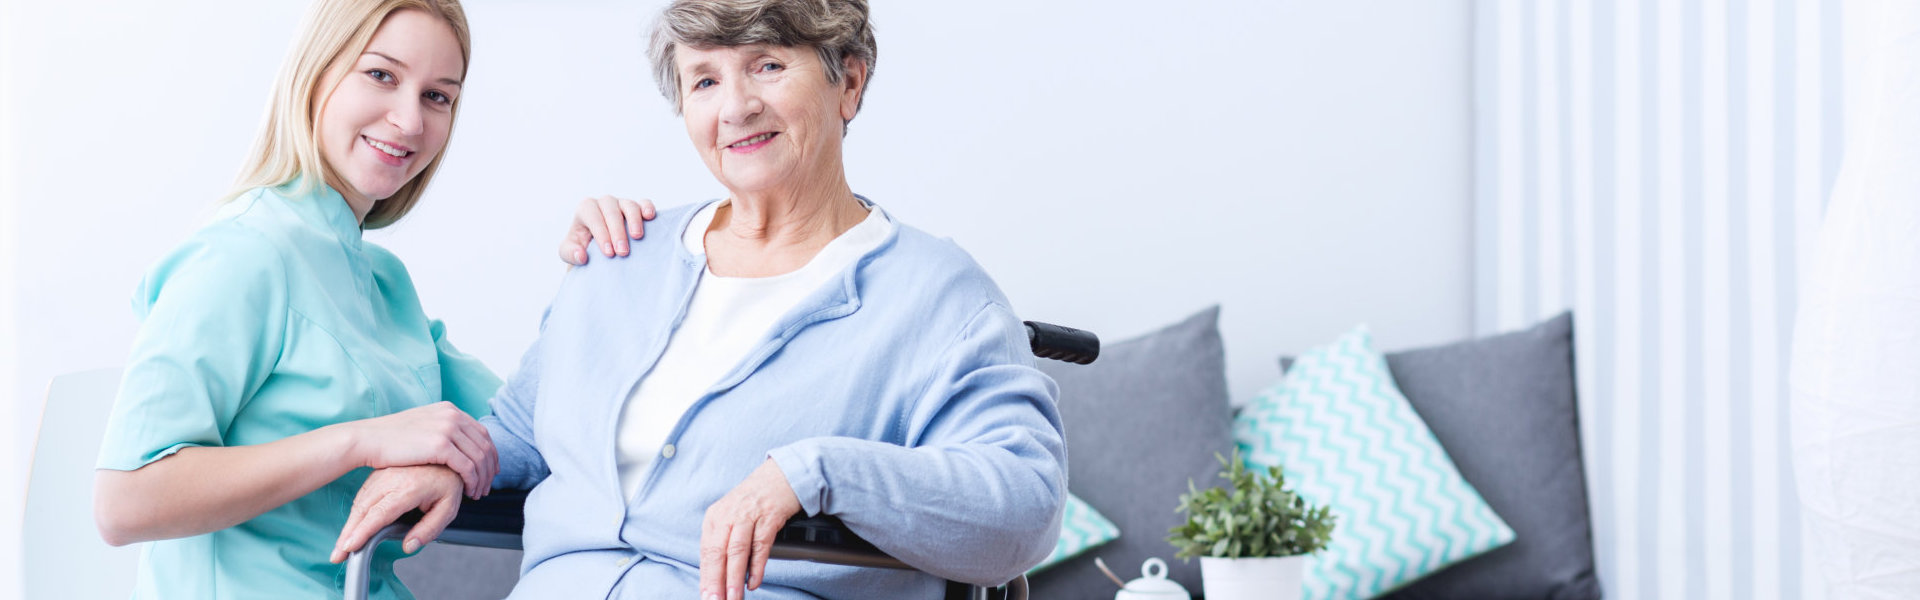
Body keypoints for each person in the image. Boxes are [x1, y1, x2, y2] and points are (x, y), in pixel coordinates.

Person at [332, 1, 1068, 598]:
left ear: (849, 81)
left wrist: (815, 473)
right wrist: (456, 463)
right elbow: (527, 430)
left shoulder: (937, 297)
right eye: (705, 80)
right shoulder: (623, 255)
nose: (736, 106)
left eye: (768, 66)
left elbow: (1024, 506)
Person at [91, 1, 649, 598]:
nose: (410, 120)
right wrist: (361, 439)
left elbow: (534, 429)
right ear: (317, 72)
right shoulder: (241, 253)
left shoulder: (382, 282)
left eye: (438, 96)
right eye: (382, 75)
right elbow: (127, 500)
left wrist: (607, 272)